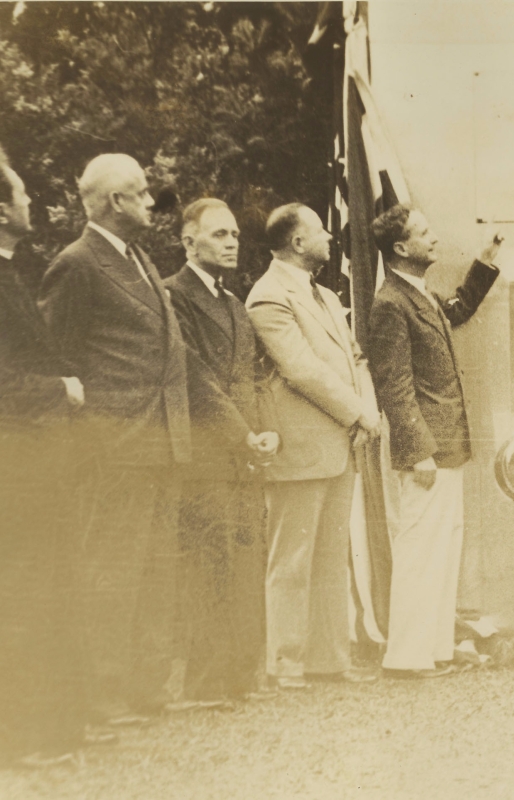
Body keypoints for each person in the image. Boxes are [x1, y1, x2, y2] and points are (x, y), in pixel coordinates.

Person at [38, 154, 257, 727]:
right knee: (111, 573)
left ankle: (143, 690)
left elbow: (177, 361)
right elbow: (55, 357)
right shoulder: (77, 265)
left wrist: (235, 431)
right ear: (116, 202)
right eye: (142, 194)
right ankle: (102, 698)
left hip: (163, 449)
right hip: (115, 452)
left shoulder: (136, 260)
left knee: (156, 574)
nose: (152, 204)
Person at [246, 203, 379, 687]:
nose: (330, 237)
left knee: (329, 557)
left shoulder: (324, 293)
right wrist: (358, 412)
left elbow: (354, 357)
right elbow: (301, 369)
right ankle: (285, 663)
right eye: (320, 231)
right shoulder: (267, 297)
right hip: (300, 450)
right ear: (298, 243)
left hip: (338, 445)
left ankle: (329, 660)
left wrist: (365, 409)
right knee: (292, 560)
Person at [367, 205, 501, 679]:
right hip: (428, 451)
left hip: (448, 446)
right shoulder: (390, 303)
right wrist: (419, 449)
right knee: (420, 550)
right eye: (424, 233)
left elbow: (458, 309)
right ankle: (405, 658)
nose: (435, 238)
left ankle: (436, 650)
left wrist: (484, 262)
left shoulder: (416, 295)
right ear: (402, 248)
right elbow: (394, 385)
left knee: (443, 546)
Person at [0, 153, 95, 767]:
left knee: (45, 590)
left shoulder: (10, 272)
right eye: (23, 194)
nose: (31, 203)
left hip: (38, 460)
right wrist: (62, 389)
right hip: (15, 461)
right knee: (22, 595)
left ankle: (46, 733)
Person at [164, 199, 279, 704]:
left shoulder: (235, 304)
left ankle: (239, 679)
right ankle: (205, 683)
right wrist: (242, 434)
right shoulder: (174, 296)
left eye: (234, 234)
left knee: (244, 564)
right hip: (206, 454)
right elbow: (194, 376)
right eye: (218, 235)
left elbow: (251, 377)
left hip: (243, 454)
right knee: (209, 566)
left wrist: (266, 431)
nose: (231, 242)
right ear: (189, 242)